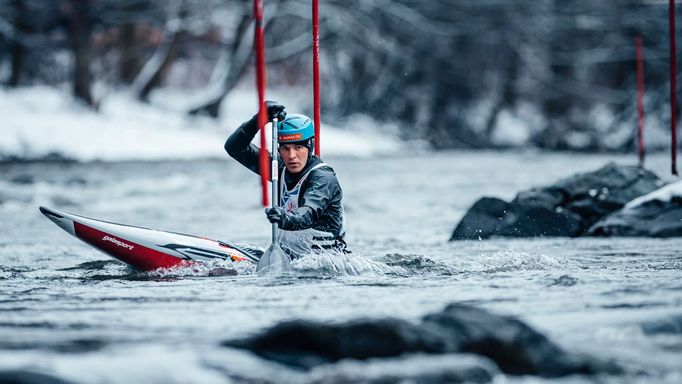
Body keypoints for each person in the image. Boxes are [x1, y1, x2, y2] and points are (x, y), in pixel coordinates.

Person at [224, 101, 347, 257]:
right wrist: (258, 120)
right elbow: (234, 148)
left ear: (310, 146)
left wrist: (284, 218)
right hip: (289, 256)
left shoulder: (323, 178)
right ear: (279, 149)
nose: (291, 156)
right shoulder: (278, 168)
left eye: (298, 148)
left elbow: (307, 215)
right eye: (285, 148)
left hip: (326, 264)